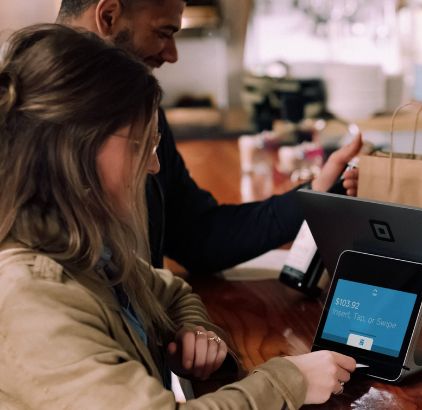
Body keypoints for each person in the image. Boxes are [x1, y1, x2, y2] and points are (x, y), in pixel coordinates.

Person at [0, 24, 354, 408]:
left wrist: (194, 329)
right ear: (75, 147)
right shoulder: (32, 298)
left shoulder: (84, 249)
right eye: (141, 143)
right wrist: (291, 380)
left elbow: (169, 290)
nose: (153, 165)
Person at [55, 0, 362, 274]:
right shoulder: (21, 126)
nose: (172, 55)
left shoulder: (142, 111)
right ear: (108, 16)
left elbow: (197, 236)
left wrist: (315, 196)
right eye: (164, 32)